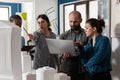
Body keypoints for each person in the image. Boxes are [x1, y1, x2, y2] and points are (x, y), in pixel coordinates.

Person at [58, 11, 87, 80]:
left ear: (81, 20)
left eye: (75, 22)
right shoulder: (64, 35)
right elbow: (58, 51)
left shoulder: (86, 34)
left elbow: (89, 51)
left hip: (81, 68)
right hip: (66, 67)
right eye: (70, 21)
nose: (72, 24)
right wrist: (63, 53)